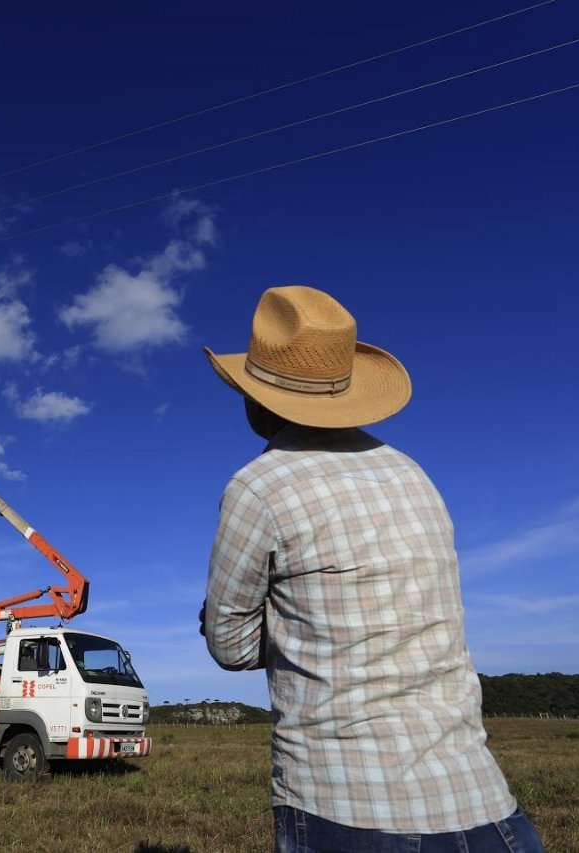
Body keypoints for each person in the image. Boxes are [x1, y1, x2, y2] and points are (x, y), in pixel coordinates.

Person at [200, 286, 544, 851]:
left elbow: (231, 647)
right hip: (483, 801)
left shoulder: (257, 487)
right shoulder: (415, 474)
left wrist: (278, 624)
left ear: (254, 398)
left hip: (345, 803)